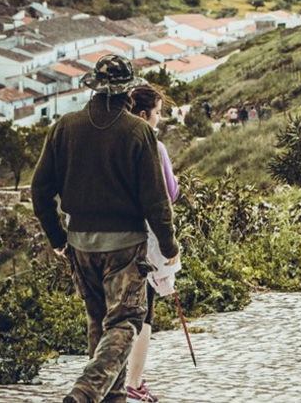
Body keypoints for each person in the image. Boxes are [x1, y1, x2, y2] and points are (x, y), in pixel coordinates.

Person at [31, 55, 179, 403]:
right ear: (128, 92)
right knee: (126, 322)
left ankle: (110, 398)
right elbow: (156, 201)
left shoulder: (64, 127)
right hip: (125, 246)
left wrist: (57, 238)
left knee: (99, 324)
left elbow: (40, 190)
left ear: (94, 88)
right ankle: (84, 392)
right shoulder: (138, 131)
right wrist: (170, 247)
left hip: (79, 243)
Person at [123, 86, 182, 403]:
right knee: (143, 311)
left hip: (108, 238)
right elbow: (169, 193)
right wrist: (170, 246)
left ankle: (113, 380)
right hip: (143, 238)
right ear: (144, 115)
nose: (159, 119)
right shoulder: (154, 147)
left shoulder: (112, 142)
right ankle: (134, 382)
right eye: (158, 112)